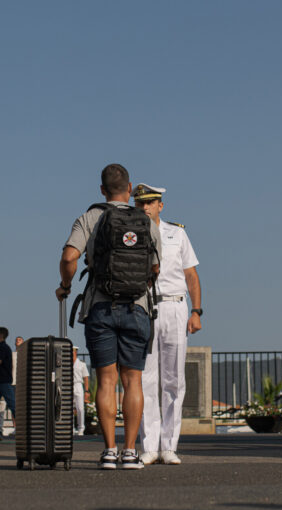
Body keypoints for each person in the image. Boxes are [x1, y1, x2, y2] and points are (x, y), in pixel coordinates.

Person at [56, 163, 161, 470]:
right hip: (137, 307)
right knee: (133, 382)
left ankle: (109, 452)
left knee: (106, 380)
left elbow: (68, 258)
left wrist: (65, 285)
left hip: (100, 306)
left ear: (102, 190)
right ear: (130, 190)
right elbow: (155, 267)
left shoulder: (89, 217)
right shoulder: (145, 220)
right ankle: (131, 451)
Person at [132, 183, 201, 465]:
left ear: (161, 205)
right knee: (146, 379)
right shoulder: (131, 236)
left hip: (174, 305)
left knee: (174, 380)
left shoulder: (177, 233)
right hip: (144, 305)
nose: (145, 207)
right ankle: (149, 445)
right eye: (140, 203)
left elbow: (191, 275)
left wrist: (196, 311)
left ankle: (169, 445)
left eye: (150, 202)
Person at [72, 347, 90, 436]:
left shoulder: (81, 364)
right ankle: (71, 428)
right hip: (69, 385)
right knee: (69, 408)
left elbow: (86, 377)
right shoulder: (66, 363)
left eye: (73, 351)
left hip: (78, 385)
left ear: (76, 352)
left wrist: (87, 390)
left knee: (80, 408)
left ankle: (81, 428)